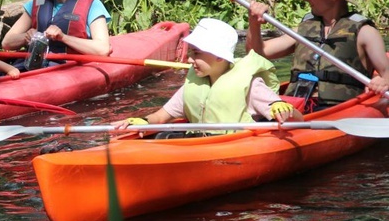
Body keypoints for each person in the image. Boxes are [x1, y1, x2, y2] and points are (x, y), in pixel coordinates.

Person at [113, 18, 303, 137]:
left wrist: (284, 108)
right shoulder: (194, 83)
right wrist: (143, 122)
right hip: (201, 143)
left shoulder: (251, 85)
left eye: (197, 54)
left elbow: (298, 120)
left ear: (219, 56)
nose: (190, 59)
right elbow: (161, 117)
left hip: (235, 146)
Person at [247, 0, 389, 110]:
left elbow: (387, 73)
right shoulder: (303, 29)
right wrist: (254, 23)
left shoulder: (365, 32)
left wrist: (383, 81)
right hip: (295, 106)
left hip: (338, 109)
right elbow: (257, 52)